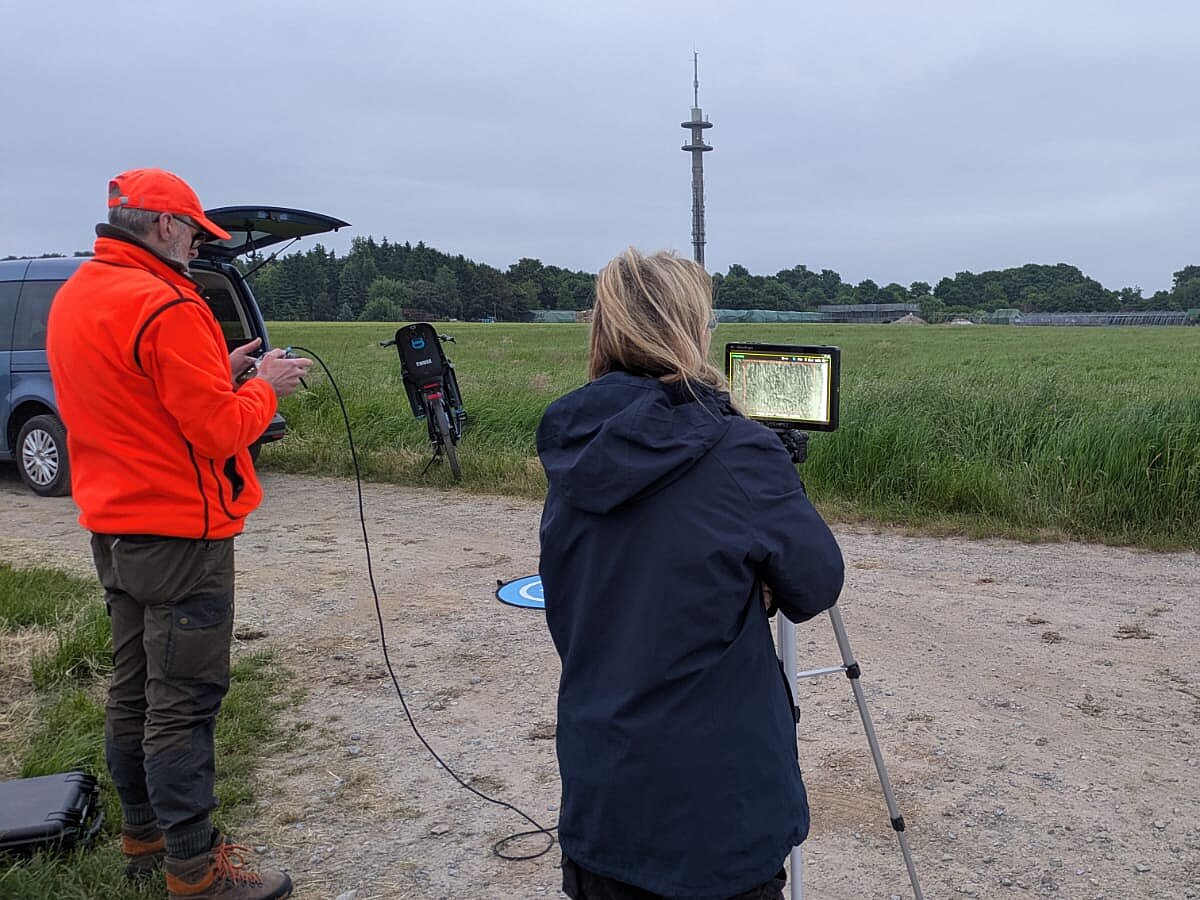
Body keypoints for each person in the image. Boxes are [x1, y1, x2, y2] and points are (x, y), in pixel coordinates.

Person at [537, 248, 845, 900]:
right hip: (716, 824)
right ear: (688, 332)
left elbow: (611, 582)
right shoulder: (738, 449)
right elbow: (816, 582)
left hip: (602, 805)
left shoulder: (574, 442)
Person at [46, 168, 311, 900]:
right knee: (183, 703)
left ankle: (144, 837)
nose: (197, 245)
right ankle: (195, 871)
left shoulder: (79, 295)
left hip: (115, 530)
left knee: (132, 691)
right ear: (164, 224)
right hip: (182, 538)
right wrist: (263, 388)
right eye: (194, 231)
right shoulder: (168, 303)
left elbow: (136, 396)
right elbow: (220, 431)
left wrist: (216, 369)